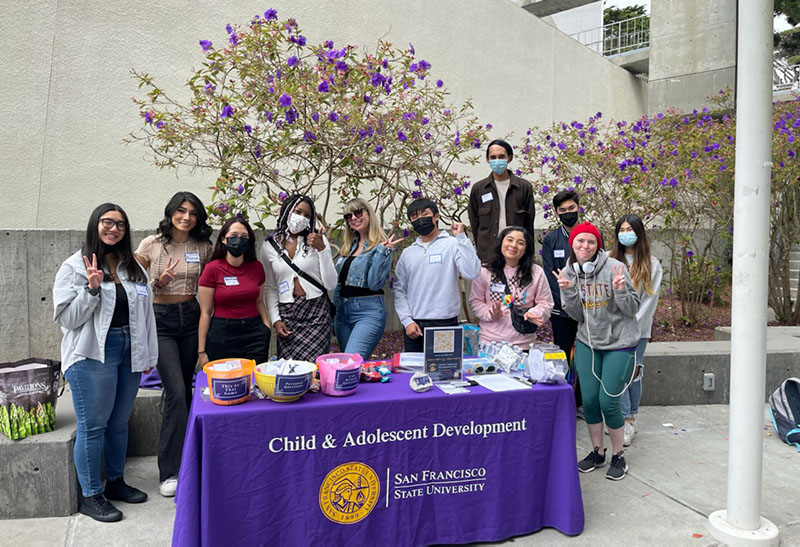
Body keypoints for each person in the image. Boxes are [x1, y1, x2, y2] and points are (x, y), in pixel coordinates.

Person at [53, 203, 158, 522]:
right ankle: (90, 495)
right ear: (94, 225)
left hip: (129, 348)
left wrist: (148, 354)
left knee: (118, 423)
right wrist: (91, 289)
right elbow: (66, 319)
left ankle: (115, 482)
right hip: (91, 354)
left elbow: (145, 313)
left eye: (121, 225)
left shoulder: (131, 266)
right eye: (107, 222)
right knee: (93, 425)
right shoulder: (75, 266)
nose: (114, 229)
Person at [135, 191, 212, 498]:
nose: (186, 217)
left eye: (193, 213)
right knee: (177, 392)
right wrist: (156, 283)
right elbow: (132, 283)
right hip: (160, 318)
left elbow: (209, 284)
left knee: (184, 393)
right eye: (181, 211)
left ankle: (188, 462)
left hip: (191, 317)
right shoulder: (150, 244)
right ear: (170, 213)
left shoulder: (203, 247)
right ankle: (169, 471)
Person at [552, 222, 640, 481]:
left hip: (619, 344)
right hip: (587, 343)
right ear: (573, 245)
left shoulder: (616, 268)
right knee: (589, 402)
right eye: (580, 242)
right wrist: (567, 292)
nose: (585, 246)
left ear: (598, 245)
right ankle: (597, 452)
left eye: (591, 242)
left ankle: (618, 455)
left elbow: (632, 310)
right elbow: (577, 315)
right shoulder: (570, 271)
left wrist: (621, 290)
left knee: (608, 401)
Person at [394, 198, 482, 352]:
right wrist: (407, 321)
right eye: (414, 217)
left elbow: (472, 272)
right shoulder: (408, 253)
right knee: (415, 372)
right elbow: (399, 289)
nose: (420, 220)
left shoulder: (452, 244)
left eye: (424, 214)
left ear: (436, 216)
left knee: (445, 371)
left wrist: (462, 238)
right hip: (414, 326)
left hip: (445, 324)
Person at [262, 194, 337, 361]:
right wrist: (276, 319)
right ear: (286, 212)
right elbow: (270, 287)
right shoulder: (269, 247)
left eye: (307, 215)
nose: (302, 218)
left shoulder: (317, 240)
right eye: (298, 212)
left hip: (316, 311)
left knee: (315, 369)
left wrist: (322, 249)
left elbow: (331, 284)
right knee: (291, 368)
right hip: (287, 314)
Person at [611, 213, 663, 446]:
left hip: (638, 328)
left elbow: (649, 302)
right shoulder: (610, 259)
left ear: (639, 233)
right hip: (612, 329)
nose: (625, 234)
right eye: (621, 230)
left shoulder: (652, 265)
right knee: (619, 374)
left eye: (629, 229)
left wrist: (632, 325)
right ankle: (623, 420)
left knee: (634, 372)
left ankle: (631, 417)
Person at [333, 198, 403, 360]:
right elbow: (339, 285)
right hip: (342, 314)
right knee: (348, 366)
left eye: (358, 212)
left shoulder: (381, 246)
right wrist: (334, 317)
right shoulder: (348, 247)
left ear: (368, 213)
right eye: (348, 216)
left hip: (368, 312)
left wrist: (382, 253)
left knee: (350, 363)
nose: (353, 218)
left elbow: (374, 284)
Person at [197, 217, 270, 367]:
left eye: (244, 237)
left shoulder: (257, 267)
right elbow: (205, 312)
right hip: (223, 333)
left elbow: (259, 301)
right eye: (234, 236)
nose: (239, 240)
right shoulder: (212, 269)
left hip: (254, 332)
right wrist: (201, 351)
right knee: (226, 381)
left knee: (254, 382)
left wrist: (266, 327)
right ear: (224, 239)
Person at [469, 226, 554, 345]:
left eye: (520, 243)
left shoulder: (536, 272)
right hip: (490, 342)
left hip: (524, 343)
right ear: (501, 242)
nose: (513, 245)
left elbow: (546, 303)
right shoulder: (485, 270)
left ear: (525, 249)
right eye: (509, 240)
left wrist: (534, 313)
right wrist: (490, 313)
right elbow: (475, 301)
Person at [542, 190, 583, 411]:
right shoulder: (551, 239)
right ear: (557, 212)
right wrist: (566, 303)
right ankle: (564, 402)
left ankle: (582, 401)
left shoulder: (591, 235)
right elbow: (550, 274)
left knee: (586, 357)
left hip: (588, 309)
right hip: (561, 310)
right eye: (563, 210)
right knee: (563, 354)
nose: (568, 213)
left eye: (571, 209)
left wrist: (583, 303)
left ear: (578, 208)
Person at [468, 139, 536, 263]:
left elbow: (529, 223)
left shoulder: (524, 187)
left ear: (509, 158)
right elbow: (474, 223)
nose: (497, 161)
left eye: (501, 156)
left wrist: (529, 255)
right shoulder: (479, 189)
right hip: (488, 254)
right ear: (488, 159)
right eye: (493, 157)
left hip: (516, 254)